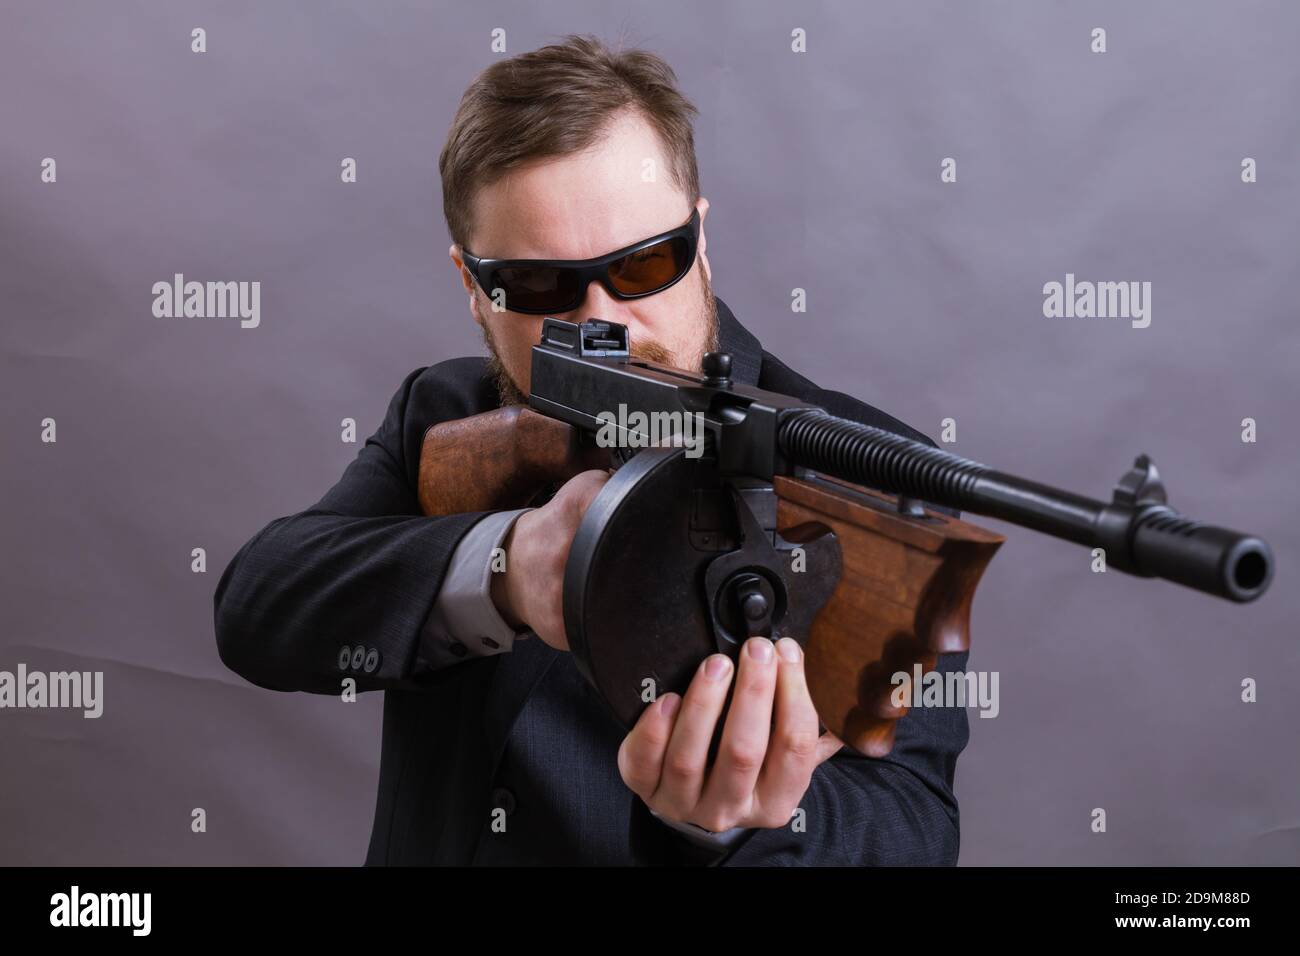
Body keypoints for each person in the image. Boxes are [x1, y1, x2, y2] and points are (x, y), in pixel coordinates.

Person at [214, 34, 968, 866]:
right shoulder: (446, 413)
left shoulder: (873, 475)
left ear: (700, 241)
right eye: (540, 286)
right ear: (472, 288)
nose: (603, 324)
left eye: (646, 264)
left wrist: (723, 825)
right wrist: (504, 567)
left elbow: (908, 834)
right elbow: (260, 607)